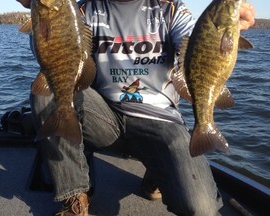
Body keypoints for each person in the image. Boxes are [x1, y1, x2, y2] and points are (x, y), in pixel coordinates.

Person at [17, 0, 255, 215]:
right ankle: (74, 195)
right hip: (105, 117)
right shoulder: (83, 10)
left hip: (160, 122)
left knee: (200, 208)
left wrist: (225, 31)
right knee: (49, 92)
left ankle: (158, 171)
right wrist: (37, 11)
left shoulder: (171, 10)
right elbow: (57, 56)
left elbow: (193, 42)